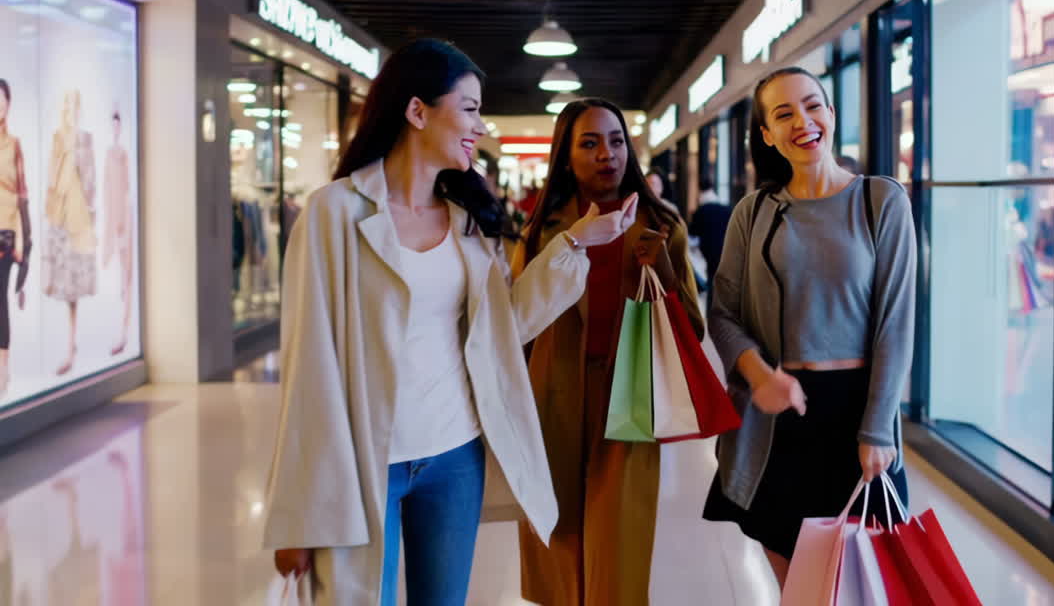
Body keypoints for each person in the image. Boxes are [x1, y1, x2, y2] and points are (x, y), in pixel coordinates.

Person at [263, 40, 638, 606]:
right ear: (417, 111)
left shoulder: (469, 225)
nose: (480, 127)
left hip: (455, 456)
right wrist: (297, 511)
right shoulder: (333, 214)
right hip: (367, 462)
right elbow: (308, 365)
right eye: (469, 108)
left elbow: (502, 330)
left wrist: (574, 245)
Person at [703, 67, 916, 585]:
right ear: (767, 136)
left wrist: (875, 428)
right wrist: (759, 376)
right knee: (798, 586)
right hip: (779, 419)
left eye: (812, 104)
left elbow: (896, 324)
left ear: (831, 114)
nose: (803, 120)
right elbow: (723, 311)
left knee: (857, 583)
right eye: (783, 114)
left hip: (856, 414)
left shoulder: (881, 201)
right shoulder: (753, 214)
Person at [514, 98, 703, 606]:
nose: (607, 154)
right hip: (552, 395)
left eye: (616, 141)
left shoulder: (661, 225)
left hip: (630, 401)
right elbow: (515, 323)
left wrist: (663, 268)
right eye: (590, 143)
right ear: (566, 156)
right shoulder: (542, 232)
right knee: (558, 536)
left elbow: (692, 328)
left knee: (618, 544)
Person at [44, 89, 96, 377]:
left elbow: (90, 181)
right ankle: (67, 346)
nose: (69, 111)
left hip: (79, 219)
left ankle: (72, 345)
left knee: (75, 285)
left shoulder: (84, 139)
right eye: (67, 106)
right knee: (64, 285)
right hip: (62, 218)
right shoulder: (57, 138)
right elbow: (52, 179)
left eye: (74, 106)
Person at [0, 80, 30, 400]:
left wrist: (22, 237)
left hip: (7, 230)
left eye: (2, 100)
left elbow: (23, 195)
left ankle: (3, 366)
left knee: (0, 298)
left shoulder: (14, 145)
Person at [101, 110, 133, 356]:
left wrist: (121, 224)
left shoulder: (122, 154)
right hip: (113, 217)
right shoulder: (109, 154)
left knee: (125, 277)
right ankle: (117, 331)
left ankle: (123, 331)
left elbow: (125, 188)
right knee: (116, 277)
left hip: (123, 217)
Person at [688, 175, 731, 306]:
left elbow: (692, 237)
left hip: (710, 257)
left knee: (712, 288)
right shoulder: (726, 209)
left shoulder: (701, 211)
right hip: (725, 253)